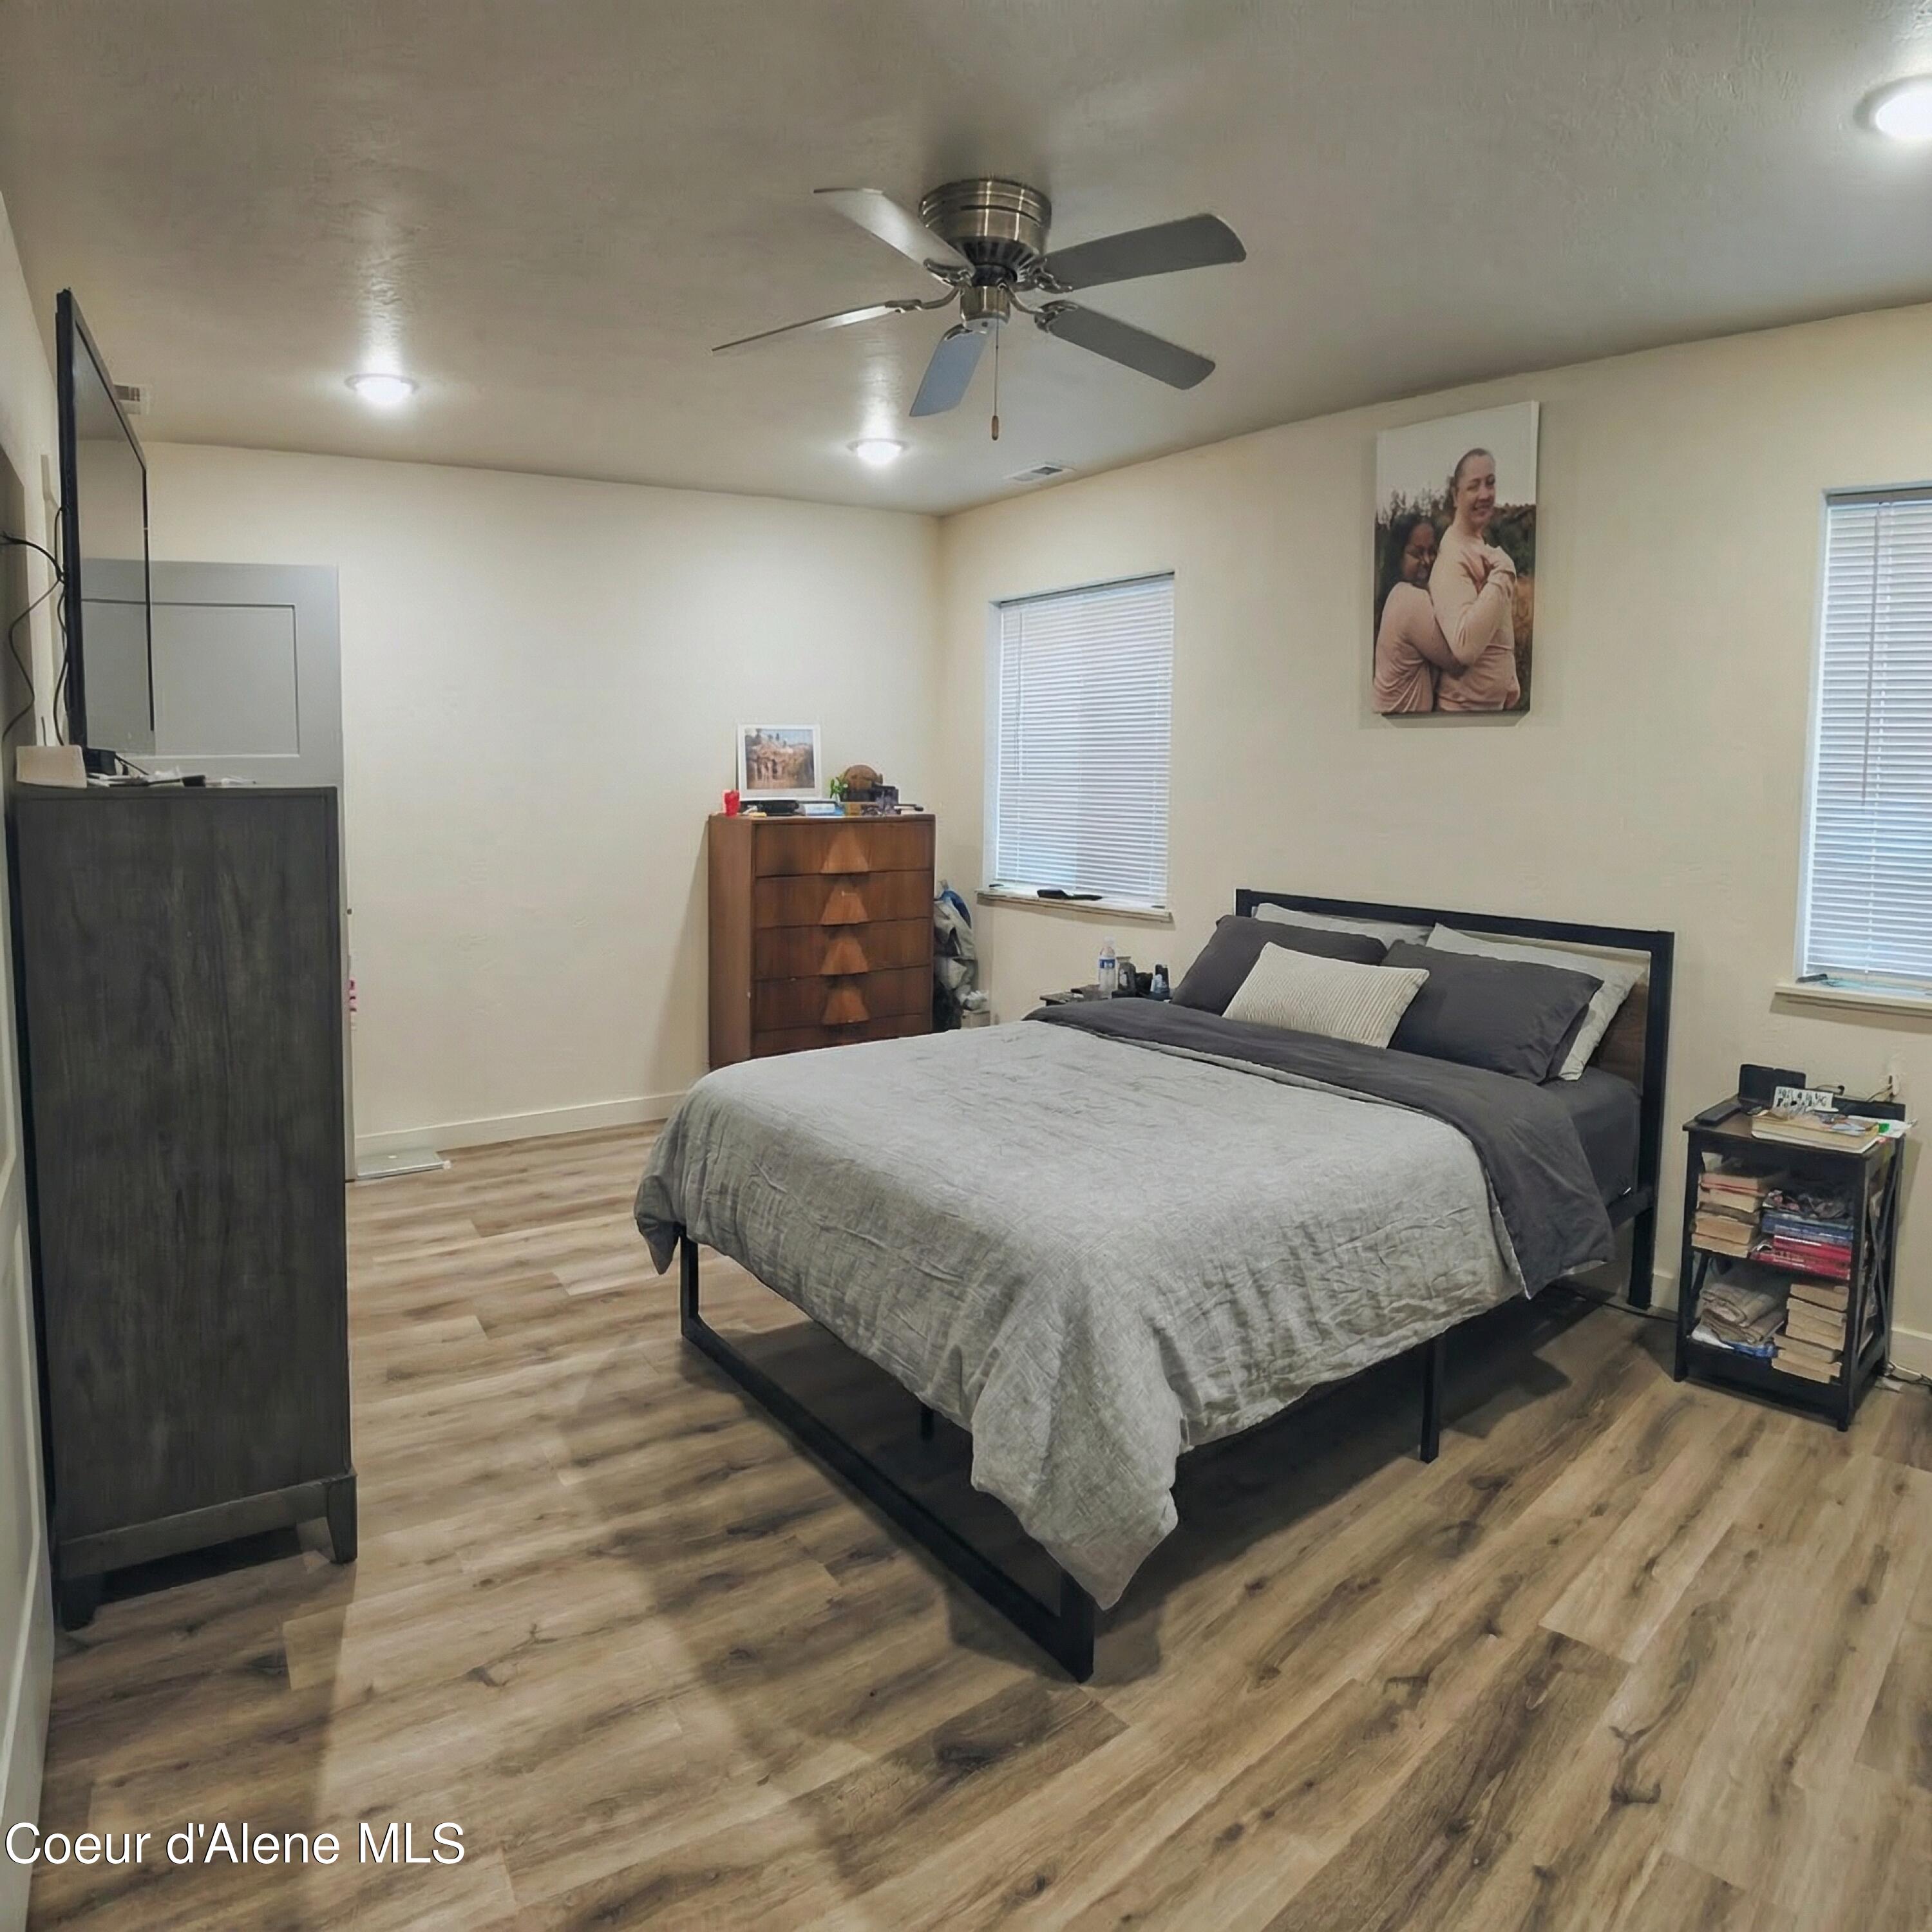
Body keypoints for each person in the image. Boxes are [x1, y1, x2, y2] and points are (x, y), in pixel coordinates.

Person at [1428, 447, 1520, 711]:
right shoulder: (1452, 556)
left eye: (1490, 483)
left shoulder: (1478, 547)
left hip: (1486, 715)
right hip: (1461, 717)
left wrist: (1509, 682)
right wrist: (1504, 573)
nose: (1485, 495)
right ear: (1455, 495)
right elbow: (1465, 646)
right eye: (1474, 486)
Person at [1372, 512, 1457, 714]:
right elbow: (1457, 662)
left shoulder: (1396, 595)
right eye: (1417, 554)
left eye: (1432, 552)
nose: (1427, 561)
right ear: (1399, 556)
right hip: (1400, 723)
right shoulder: (1410, 600)